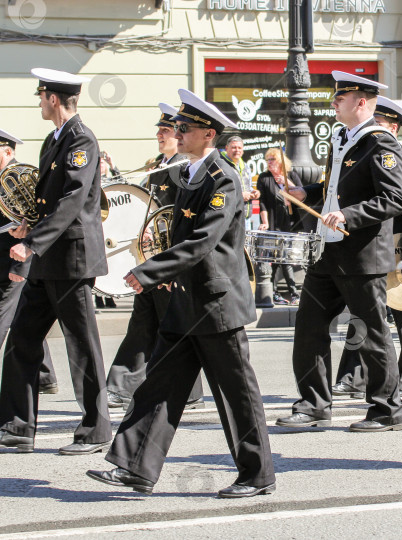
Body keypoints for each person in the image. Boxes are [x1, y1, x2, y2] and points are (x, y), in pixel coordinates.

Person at [88, 89, 276, 498]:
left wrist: (150, 272)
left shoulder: (223, 176)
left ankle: (257, 474)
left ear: (208, 134)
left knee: (236, 395)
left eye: (184, 127)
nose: (176, 131)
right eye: (176, 126)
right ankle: (134, 467)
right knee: (159, 384)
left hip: (216, 303)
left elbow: (203, 242)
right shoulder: (188, 174)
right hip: (185, 300)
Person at [275, 71, 402, 432]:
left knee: (370, 332)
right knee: (308, 328)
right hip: (327, 251)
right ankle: (314, 403)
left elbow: (395, 199)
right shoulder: (340, 139)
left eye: (340, 98)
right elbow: (333, 189)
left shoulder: (380, 143)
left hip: (362, 255)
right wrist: (308, 196)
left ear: (361, 102)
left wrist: (348, 215)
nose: (334, 103)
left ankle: (386, 409)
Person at [0, 68, 111, 455]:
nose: (39, 102)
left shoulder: (82, 140)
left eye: (41, 96)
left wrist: (32, 243)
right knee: (22, 340)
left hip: (73, 259)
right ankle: (15, 425)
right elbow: (47, 200)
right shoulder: (54, 138)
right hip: (48, 260)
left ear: (52, 98)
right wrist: (27, 225)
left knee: (82, 347)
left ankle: (95, 430)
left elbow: (73, 200)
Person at [105, 103, 205, 410]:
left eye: (167, 130)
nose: (161, 135)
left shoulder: (183, 168)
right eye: (161, 130)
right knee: (144, 322)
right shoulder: (160, 167)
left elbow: (185, 217)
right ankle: (122, 386)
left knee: (170, 322)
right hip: (149, 258)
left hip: (166, 259)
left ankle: (187, 390)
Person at [332, 96, 402, 399]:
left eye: (381, 122)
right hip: (373, 244)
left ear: (394, 127)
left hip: (400, 246)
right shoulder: (367, 153)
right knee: (363, 314)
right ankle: (352, 377)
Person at [0, 128, 58, 395]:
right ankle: (45, 377)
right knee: (23, 321)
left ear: (8, 151)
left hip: (15, 263)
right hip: (5, 262)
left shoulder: (18, 178)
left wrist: (21, 267)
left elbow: (33, 223)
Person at [256, 147, 303, 305]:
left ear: (281, 162)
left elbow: (301, 194)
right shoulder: (264, 178)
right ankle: (287, 292)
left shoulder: (291, 175)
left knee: (284, 257)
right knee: (278, 258)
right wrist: (265, 222)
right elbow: (262, 202)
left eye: (272, 159)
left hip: (289, 222)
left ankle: (286, 292)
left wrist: (286, 182)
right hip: (274, 222)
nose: (269, 163)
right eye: (267, 160)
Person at [221, 136, 259, 228]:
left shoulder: (245, 166)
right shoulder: (221, 165)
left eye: (239, 148)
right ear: (227, 148)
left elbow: (248, 187)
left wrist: (254, 192)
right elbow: (219, 191)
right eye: (233, 147)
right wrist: (240, 195)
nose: (237, 150)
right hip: (229, 217)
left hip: (246, 216)